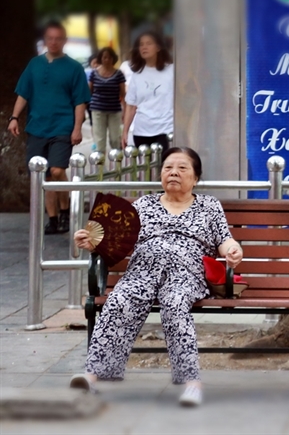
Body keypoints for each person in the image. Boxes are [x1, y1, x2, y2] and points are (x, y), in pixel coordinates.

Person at [70, 147, 243, 407]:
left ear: (195, 178)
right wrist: (90, 242)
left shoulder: (209, 205)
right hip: (141, 272)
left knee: (175, 305)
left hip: (186, 274)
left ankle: (192, 383)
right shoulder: (143, 205)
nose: (173, 172)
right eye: (168, 168)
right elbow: (111, 242)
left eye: (182, 168)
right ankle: (92, 376)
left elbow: (224, 239)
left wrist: (233, 250)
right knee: (119, 301)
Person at [8, 21, 91, 234]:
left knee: (56, 170)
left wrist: (77, 128)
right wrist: (14, 117)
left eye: (58, 38)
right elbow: (23, 94)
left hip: (62, 126)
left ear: (64, 40)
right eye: (50, 38)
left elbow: (80, 101)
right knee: (42, 176)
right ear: (45, 40)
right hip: (37, 127)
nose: (54, 42)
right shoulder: (34, 65)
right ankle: (53, 219)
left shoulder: (74, 68)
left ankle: (65, 209)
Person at [122, 31, 174, 152]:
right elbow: (131, 106)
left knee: (163, 168)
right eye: (141, 44)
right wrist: (125, 132)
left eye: (149, 43)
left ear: (158, 47)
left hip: (165, 130)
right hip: (142, 132)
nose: (144, 47)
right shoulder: (137, 75)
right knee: (145, 170)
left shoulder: (172, 71)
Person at [89, 47, 126, 154]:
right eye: (104, 57)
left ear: (113, 59)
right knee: (100, 140)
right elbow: (89, 91)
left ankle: (117, 164)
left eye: (109, 57)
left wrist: (124, 110)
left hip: (114, 110)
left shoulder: (118, 74)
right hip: (98, 110)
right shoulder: (94, 73)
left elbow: (123, 94)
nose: (107, 60)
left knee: (115, 139)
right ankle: (100, 167)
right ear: (101, 58)